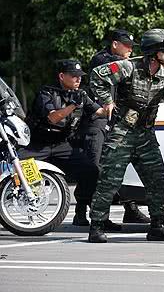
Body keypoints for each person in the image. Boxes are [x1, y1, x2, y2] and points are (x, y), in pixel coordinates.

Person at [87, 29, 164, 243]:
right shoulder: (129, 67)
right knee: (109, 181)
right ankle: (96, 226)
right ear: (154, 51)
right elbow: (97, 76)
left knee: (158, 181)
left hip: (145, 134)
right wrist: (107, 101)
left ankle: (156, 226)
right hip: (122, 133)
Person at [78, 29, 150, 227]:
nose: (129, 50)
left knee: (119, 165)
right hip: (98, 119)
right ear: (115, 44)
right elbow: (111, 70)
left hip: (115, 119)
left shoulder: (120, 61)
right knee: (96, 167)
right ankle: (84, 212)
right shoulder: (102, 60)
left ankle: (130, 208)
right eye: (126, 45)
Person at [19, 59, 105, 226]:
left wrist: (109, 107)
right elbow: (53, 118)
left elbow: (100, 111)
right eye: (74, 76)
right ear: (61, 76)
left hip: (61, 145)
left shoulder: (81, 94)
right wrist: (73, 105)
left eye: (80, 76)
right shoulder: (46, 93)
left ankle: (83, 211)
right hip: (37, 145)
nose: (78, 80)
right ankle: (29, 208)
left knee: (91, 170)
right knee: (18, 169)